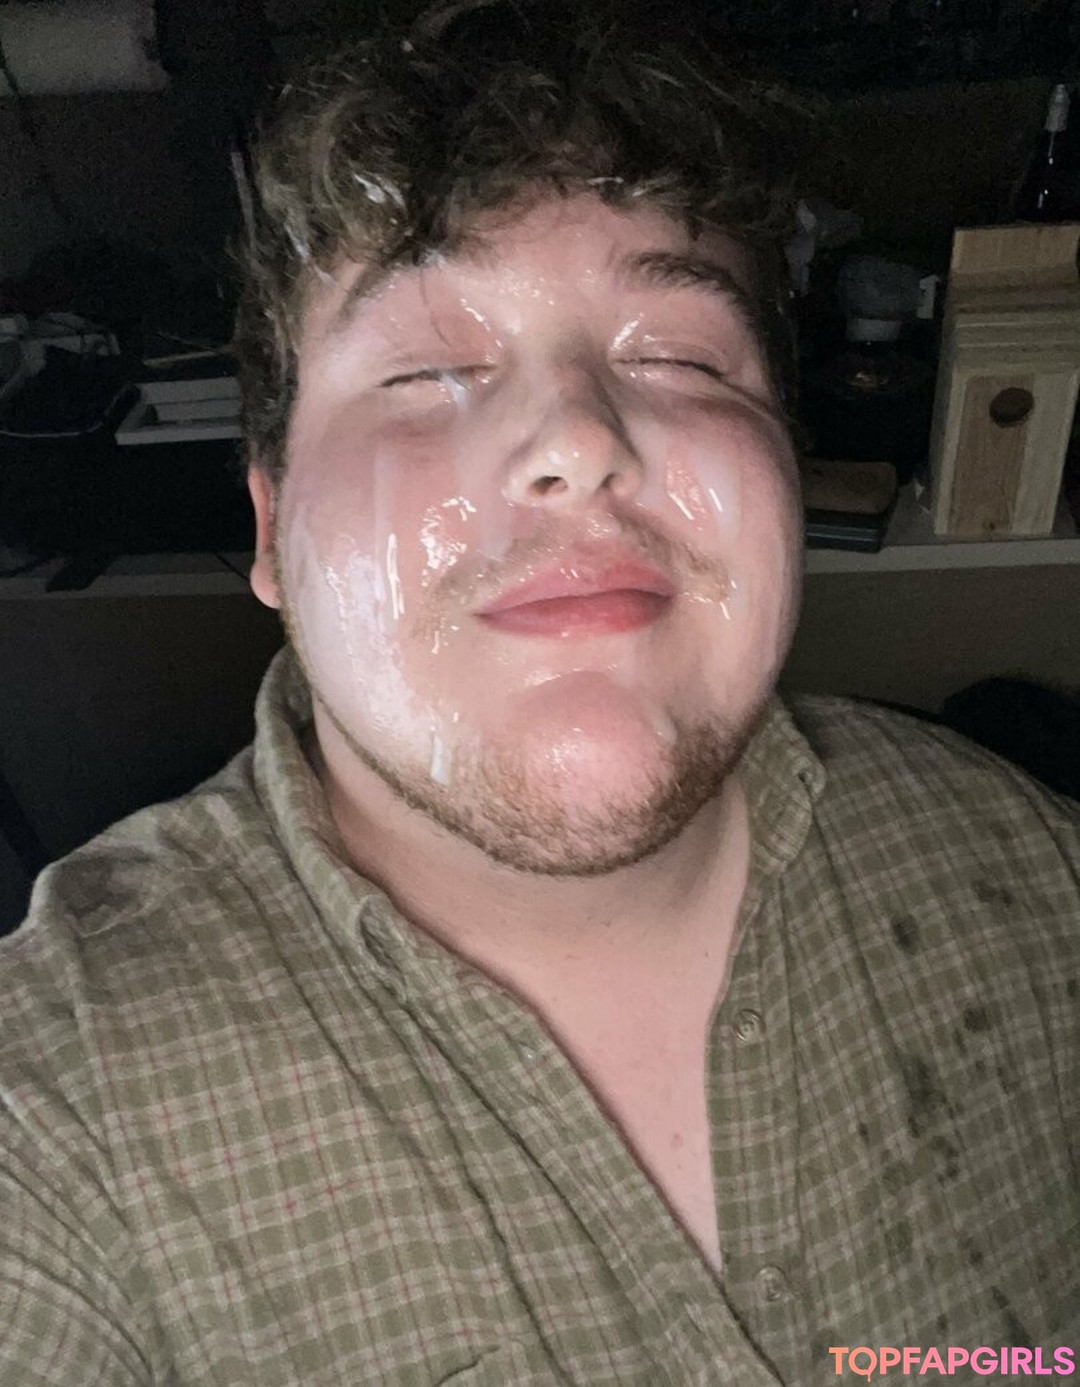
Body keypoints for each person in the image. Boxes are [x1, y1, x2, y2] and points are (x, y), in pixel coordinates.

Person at [2, 4, 1079, 1383]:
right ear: (271, 532)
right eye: (423, 371)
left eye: (678, 356)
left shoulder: (1025, 867)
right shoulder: (52, 1123)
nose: (577, 437)